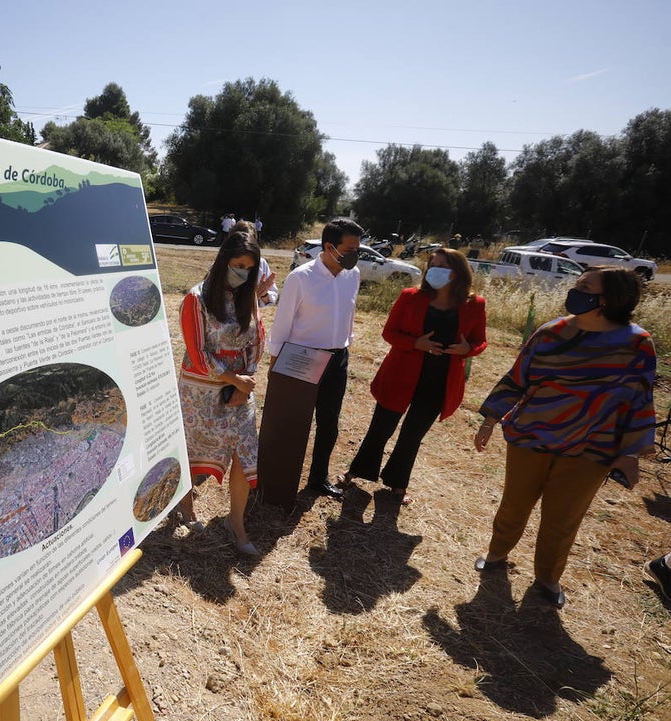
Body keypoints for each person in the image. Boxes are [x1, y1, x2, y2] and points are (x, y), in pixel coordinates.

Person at [474, 267, 656, 609]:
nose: (576, 291)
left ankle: (547, 577)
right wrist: (490, 418)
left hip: (592, 449)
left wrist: (629, 454)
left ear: (609, 298)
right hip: (531, 437)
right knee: (514, 504)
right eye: (577, 285)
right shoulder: (550, 332)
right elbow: (517, 378)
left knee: (563, 519)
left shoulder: (636, 344)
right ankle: (496, 554)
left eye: (585, 287)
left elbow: (639, 399)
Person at [338, 248, 487, 504]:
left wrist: (468, 350)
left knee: (412, 435)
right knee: (381, 428)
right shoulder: (410, 297)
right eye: (432, 265)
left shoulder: (474, 305)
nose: (434, 270)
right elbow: (389, 333)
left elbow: (480, 342)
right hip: (401, 374)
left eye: (442, 265)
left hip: (439, 381)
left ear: (458, 272)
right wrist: (415, 343)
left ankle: (398, 484)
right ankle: (355, 472)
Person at [260, 217, 364, 506]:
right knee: (291, 423)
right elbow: (282, 325)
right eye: (350, 247)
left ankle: (318, 478)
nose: (355, 253)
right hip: (302, 359)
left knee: (329, 423)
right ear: (330, 247)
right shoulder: (301, 278)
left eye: (358, 248)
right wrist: (274, 365)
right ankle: (275, 481)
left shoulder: (352, 275)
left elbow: (349, 314)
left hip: (338, 358)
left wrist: (347, 344)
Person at [174, 230, 265, 556]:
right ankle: (185, 507)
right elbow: (197, 352)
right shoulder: (195, 299)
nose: (242, 272)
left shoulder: (248, 297)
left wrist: (246, 380)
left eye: (249, 267)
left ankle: (236, 522)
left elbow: (257, 340)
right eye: (238, 264)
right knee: (191, 449)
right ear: (223, 259)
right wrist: (233, 379)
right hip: (201, 393)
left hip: (240, 391)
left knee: (244, 454)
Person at [231, 220, 277, 305]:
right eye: (240, 266)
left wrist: (263, 295)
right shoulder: (220, 265)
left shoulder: (261, 264)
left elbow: (269, 301)